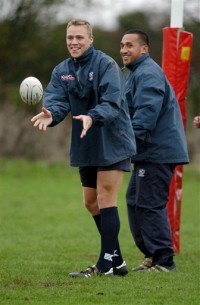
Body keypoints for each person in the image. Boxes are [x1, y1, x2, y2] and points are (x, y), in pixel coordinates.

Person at [31, 19, 136, 277]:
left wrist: (92, 116)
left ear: (91, 39)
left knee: (105, 198)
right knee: (91, 203)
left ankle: (103, 267)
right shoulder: (62, 70)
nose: (74, 42)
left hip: (112, 138)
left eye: (79, 37)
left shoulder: (106, 64)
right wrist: (51, 115)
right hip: (85, 142)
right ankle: (118, 262)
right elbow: (56, 100)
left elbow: (112, 103)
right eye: (70, 38)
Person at [120, 29, 189, 272]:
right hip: (148, 153)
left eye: (130, 45)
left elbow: (145, 117)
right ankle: (152, 254)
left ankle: (164, 260)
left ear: (144, 49)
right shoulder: (138, 73)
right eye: (122, 45)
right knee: (135, 202)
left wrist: (124, 144)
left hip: (157, 153)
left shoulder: (147, 74)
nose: (124, 50)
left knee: (149, 204)